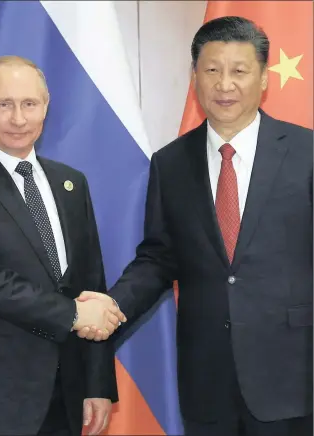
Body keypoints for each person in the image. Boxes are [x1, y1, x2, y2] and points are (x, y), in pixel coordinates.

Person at [77, 16, 313, 436]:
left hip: (294, 375)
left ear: (263, 79)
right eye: (212, 70)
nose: (225, 84)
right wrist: (111, 308)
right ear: (195, 77)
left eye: (239, 71)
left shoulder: (306, 152)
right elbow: (158, 259)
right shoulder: (170, 164)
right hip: (207, 381)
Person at [0, 55, 126, 436]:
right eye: (4, 104)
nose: (18, 119)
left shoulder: (71, 183)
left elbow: (91, 283)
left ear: (46, 106)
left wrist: (96, 385)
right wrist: (74, 315)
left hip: (66, 393)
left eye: (29, 104)